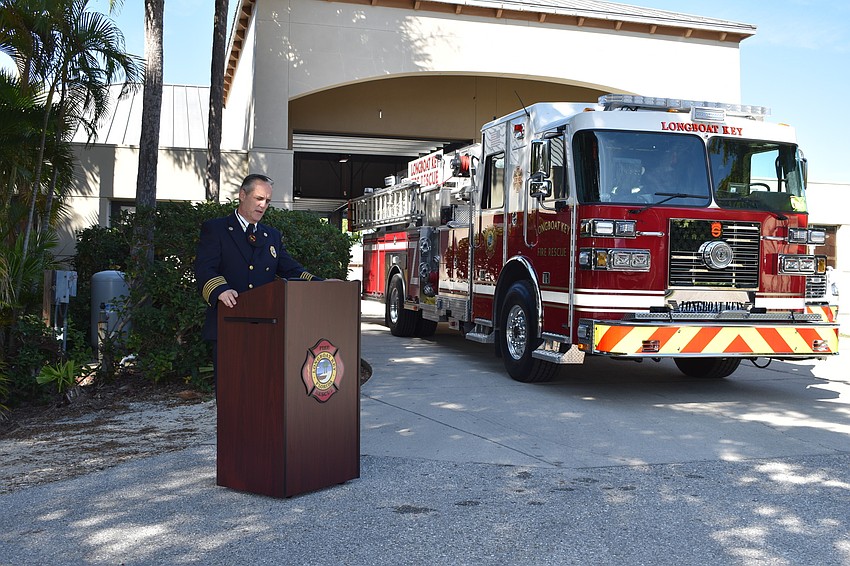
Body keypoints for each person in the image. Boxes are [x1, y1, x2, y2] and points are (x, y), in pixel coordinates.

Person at [194, 173, 323, 389]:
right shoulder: (216, 229)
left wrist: (321, 283)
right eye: (259, 199)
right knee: (231, 390)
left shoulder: (271, 235)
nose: (263, 206)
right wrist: (220, 290)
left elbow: (290, 268)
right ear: (242, 195)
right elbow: (205, 268)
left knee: (261, 390)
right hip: (230, 324)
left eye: (268, 201)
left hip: (265, 328)